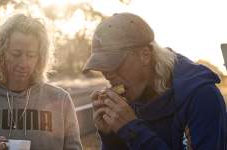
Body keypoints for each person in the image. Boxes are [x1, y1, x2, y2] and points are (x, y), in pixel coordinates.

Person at [83, 12, 227, 149]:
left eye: (113, 63)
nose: (108, 75)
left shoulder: (201, 97)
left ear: (145, 55)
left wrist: (133, 131)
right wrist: (111, 137)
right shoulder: (132, 96)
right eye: (102, 68)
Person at [0, 13, 82, 150]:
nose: (23, 63)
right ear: (1, 53)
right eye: (16, 54)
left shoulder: (61, 100)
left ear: (40, 57)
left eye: (31, 55)